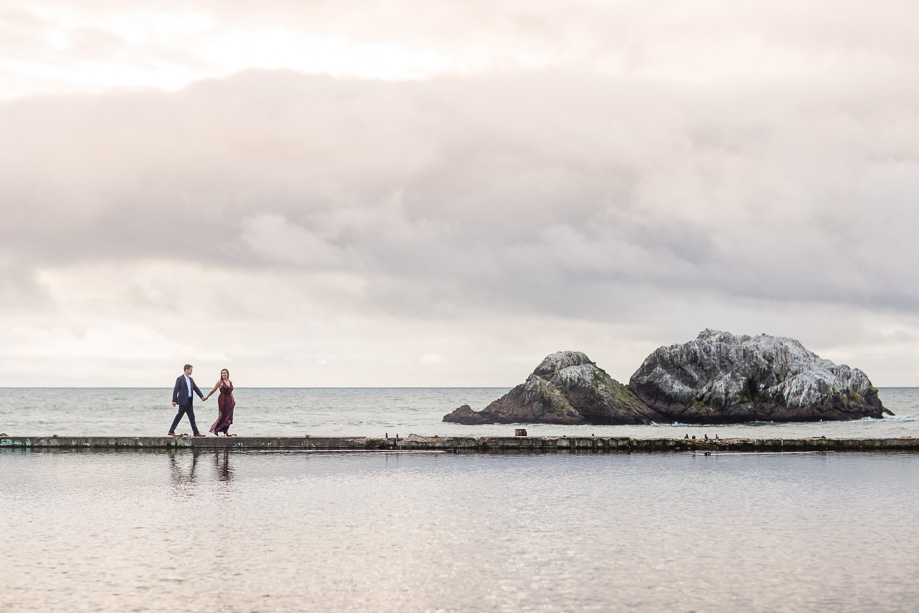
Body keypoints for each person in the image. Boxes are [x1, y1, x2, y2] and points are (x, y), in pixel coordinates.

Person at [169, 364, 206, 437]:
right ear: (186, 369)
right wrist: (174, 400)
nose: (191, 371)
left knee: (192, 417)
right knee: (179, 416)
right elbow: (176, 389)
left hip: (189, 401)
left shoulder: (191, 379)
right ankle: (171, 431)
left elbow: (196, 388)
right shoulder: (180, 379)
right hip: (183, 401)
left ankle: (196, 432)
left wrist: (202, 396)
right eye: (190, 370)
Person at [205, 368, 236, 436]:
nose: (223, 374)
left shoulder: (230, 382)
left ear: (227, 374)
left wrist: (233, 400)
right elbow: (213, 390)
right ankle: (217, 430)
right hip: (222, 400)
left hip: (229, 400)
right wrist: (207, 396)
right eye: (222, 373)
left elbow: (230, 392)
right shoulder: (220, 382)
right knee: (223, 416)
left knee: (229, 416)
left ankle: (225, 431)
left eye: (224, 373)